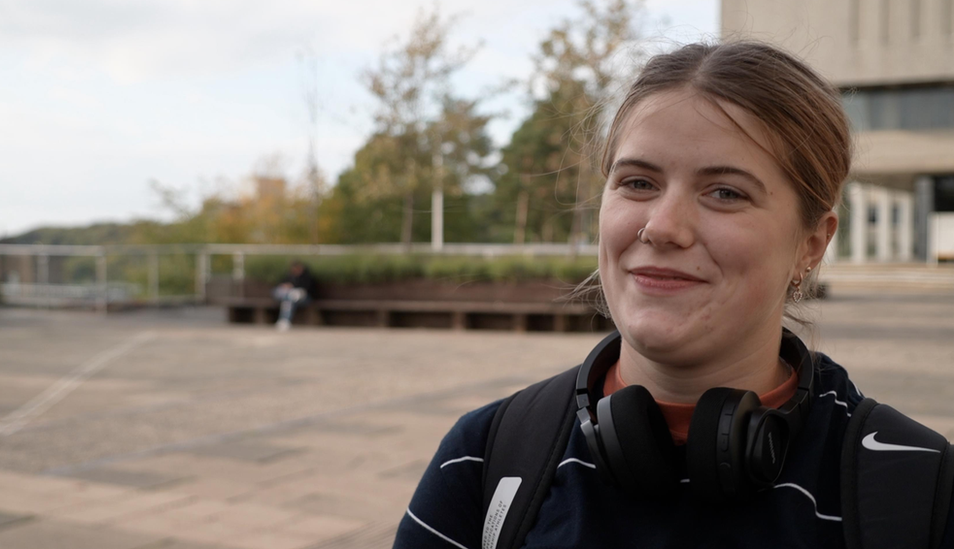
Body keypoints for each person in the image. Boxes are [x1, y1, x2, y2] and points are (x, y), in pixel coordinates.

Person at [393, 41, 954, 548]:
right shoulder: (486, 456)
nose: (662, 227)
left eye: (725, 192)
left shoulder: (919, 489)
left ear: (811, 244)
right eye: (638, 182)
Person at [272, 260, 313, 331]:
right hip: (290, 297)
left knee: (290, 298)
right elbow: (281, 284)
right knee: (288, 299)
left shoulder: (306, 276)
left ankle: (285, 320)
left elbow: (307, 289)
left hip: (304, 298)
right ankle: (284, 320)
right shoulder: (289, 275)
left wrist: (293, 287)